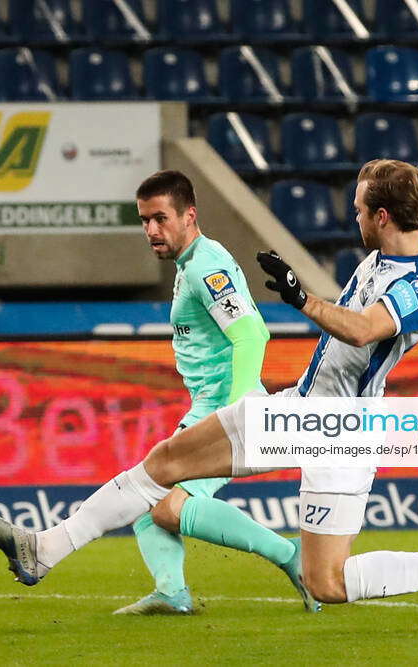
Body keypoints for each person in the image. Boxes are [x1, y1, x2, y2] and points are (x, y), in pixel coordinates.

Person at [0, 140, 418, 606]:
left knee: (327, 582)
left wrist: (303, 300)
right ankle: (43, 549)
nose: (352, 217)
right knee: (165, 465)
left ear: (380, 216)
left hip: (343, 429)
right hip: (304, 408)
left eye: (357, 209)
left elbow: (365, 329)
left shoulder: (413, 285)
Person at [114, 170, 313, 614]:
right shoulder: (191, 264)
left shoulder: (207, 266)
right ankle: (171, 592)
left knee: (161, 502)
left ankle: (290, 555)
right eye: (144, 220)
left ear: (190, 215)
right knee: (149, 503)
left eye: (160, 218)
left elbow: (252, 334)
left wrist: (238, 406)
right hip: (211, 405)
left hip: (223, 408)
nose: (151, 230)